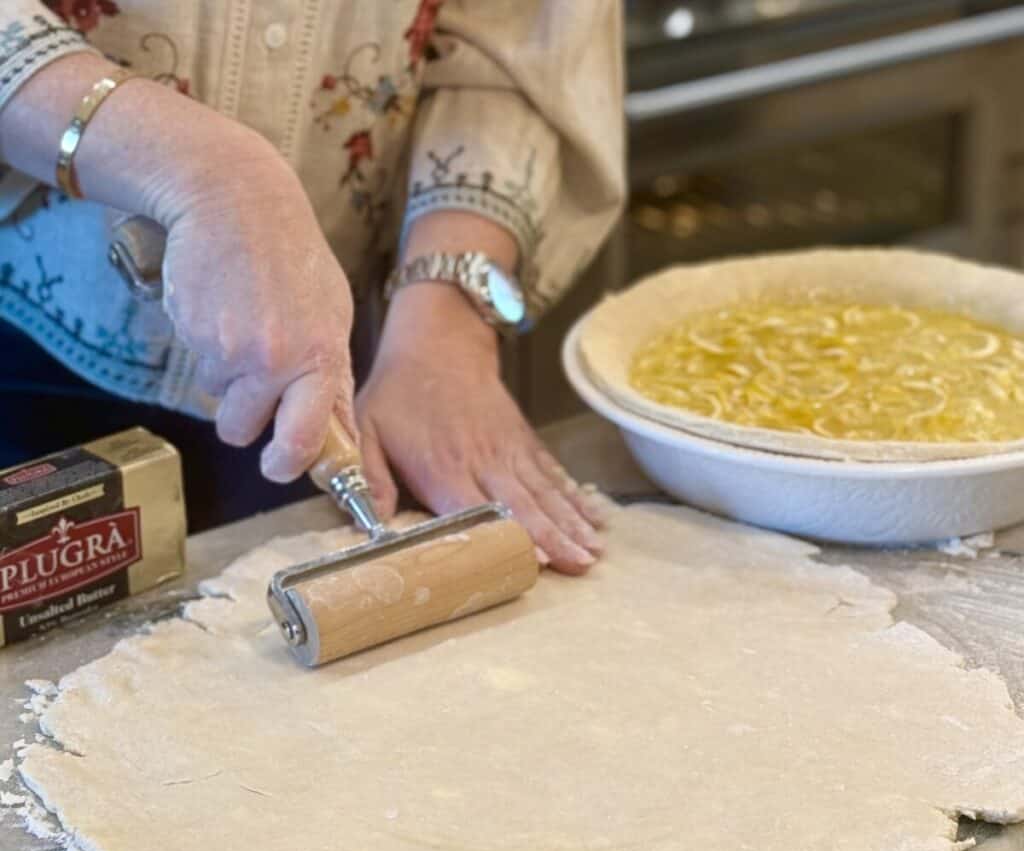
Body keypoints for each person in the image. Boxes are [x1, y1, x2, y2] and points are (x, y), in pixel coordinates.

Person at [0, 1, 624, 572]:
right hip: (27, 334)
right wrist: (206, 169)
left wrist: (445, 317)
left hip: (335, 364)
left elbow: (517, 25)